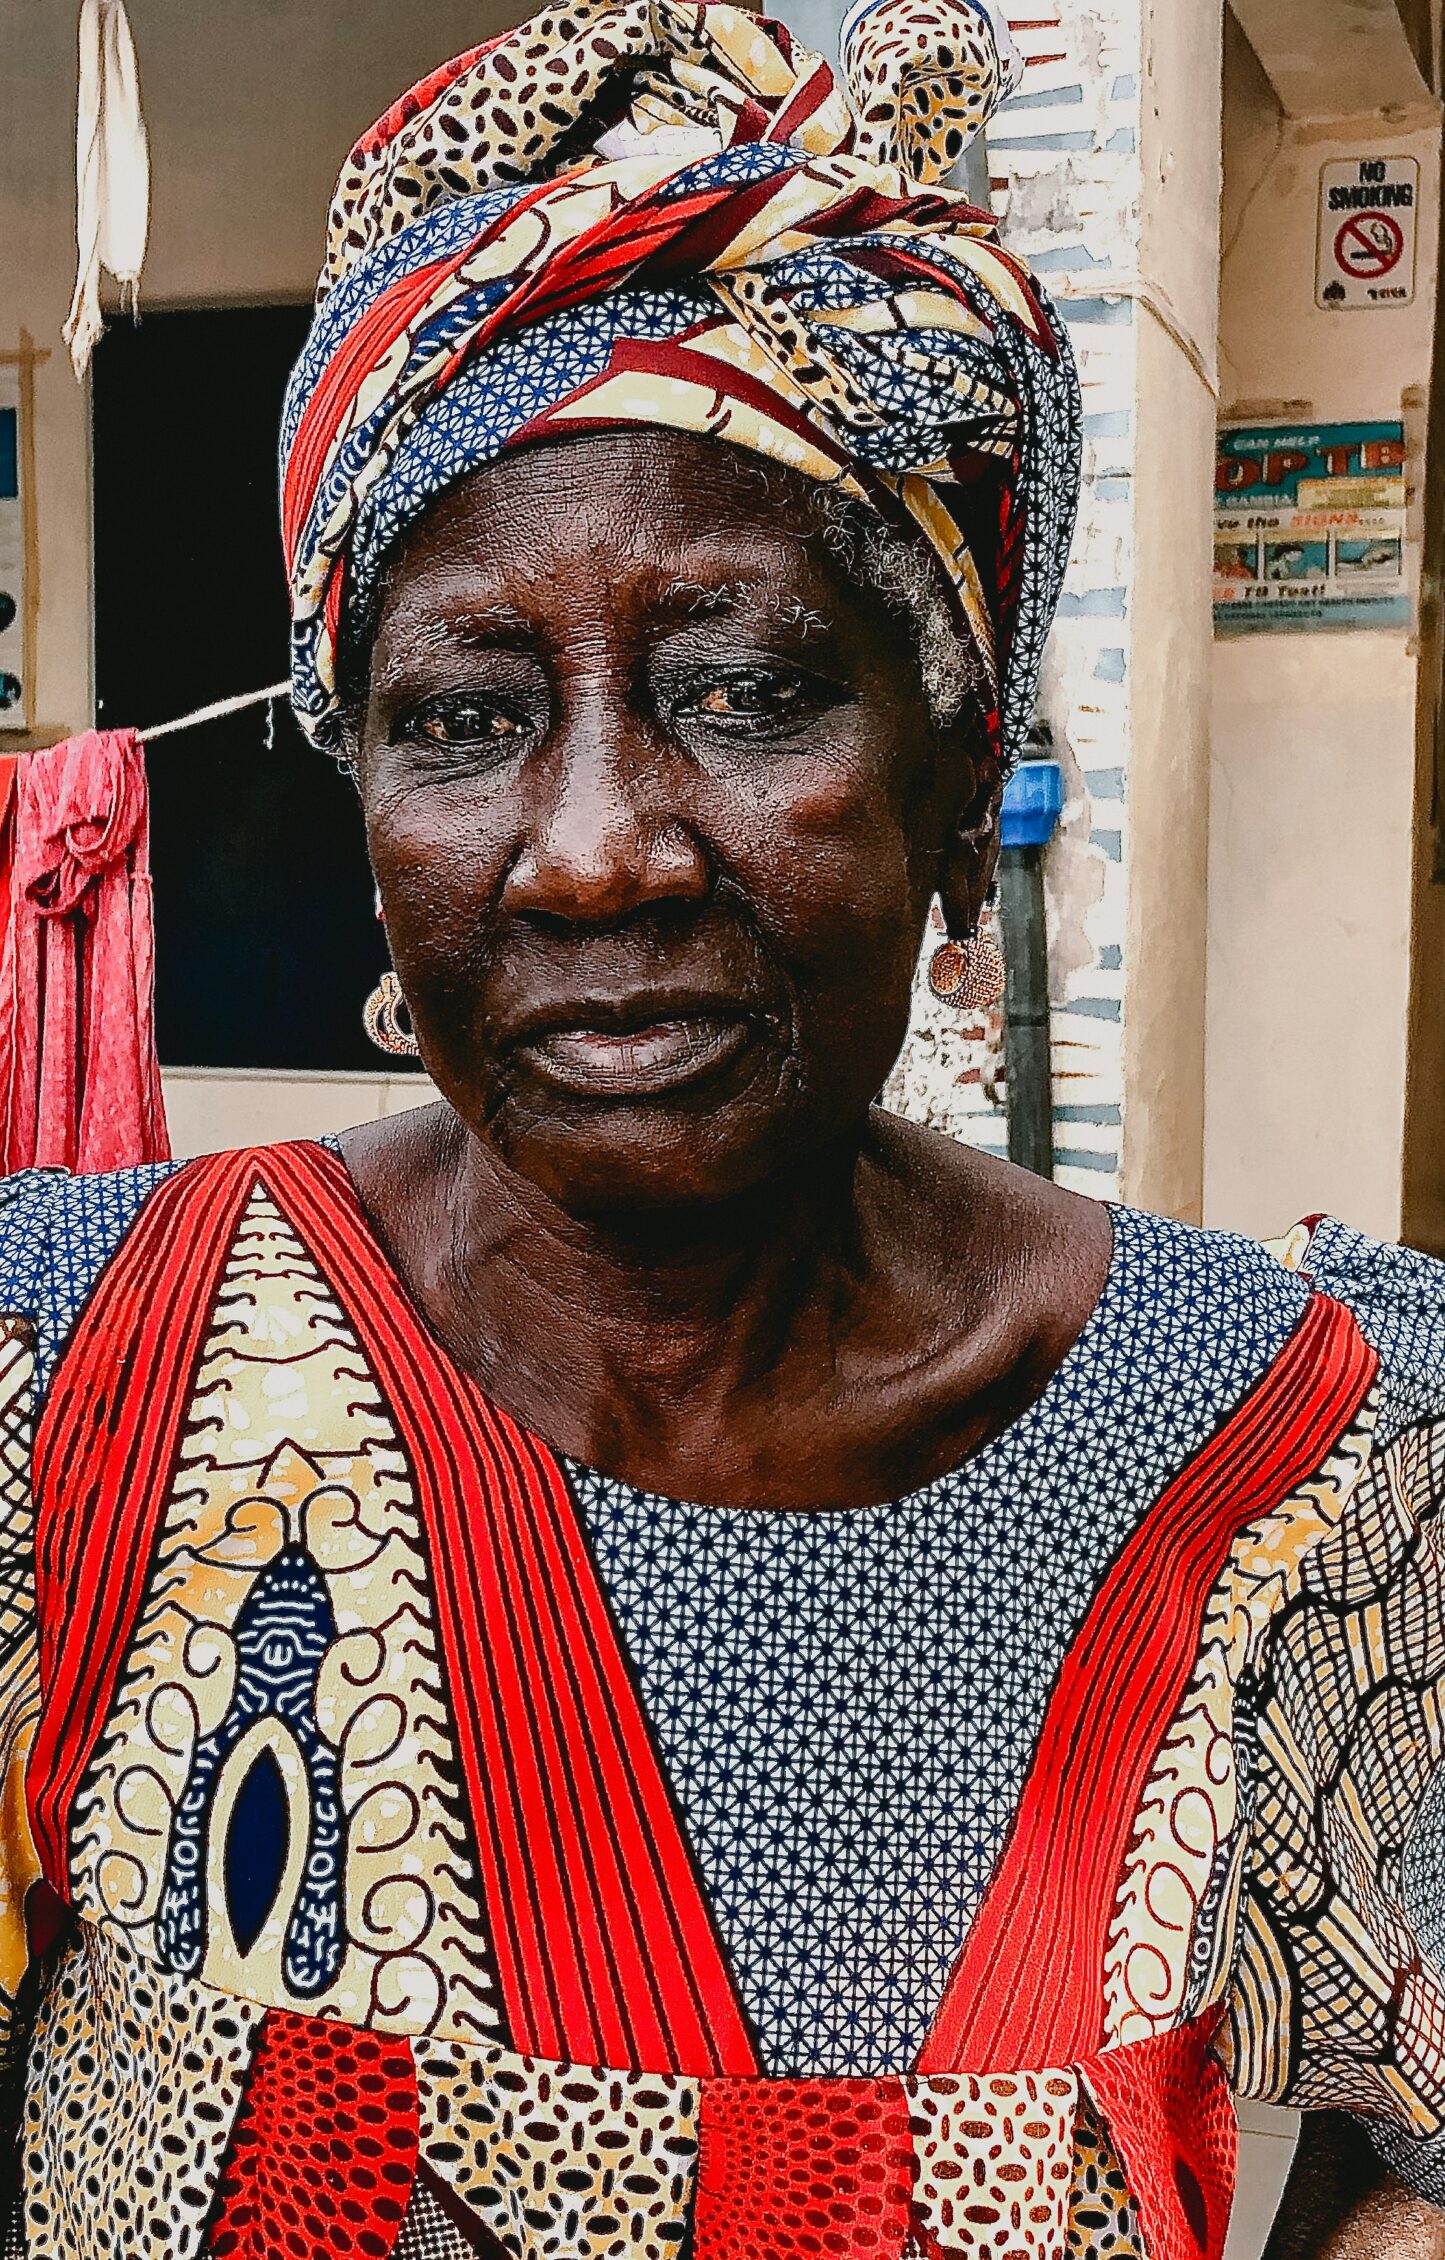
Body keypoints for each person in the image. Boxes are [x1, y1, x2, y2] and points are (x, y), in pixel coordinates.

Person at [2, 4, 1445, 2256]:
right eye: (467, 715)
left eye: (747, 688)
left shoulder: (1280, 1455)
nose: (592, 853)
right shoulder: (83, 1373)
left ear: (960, 795)